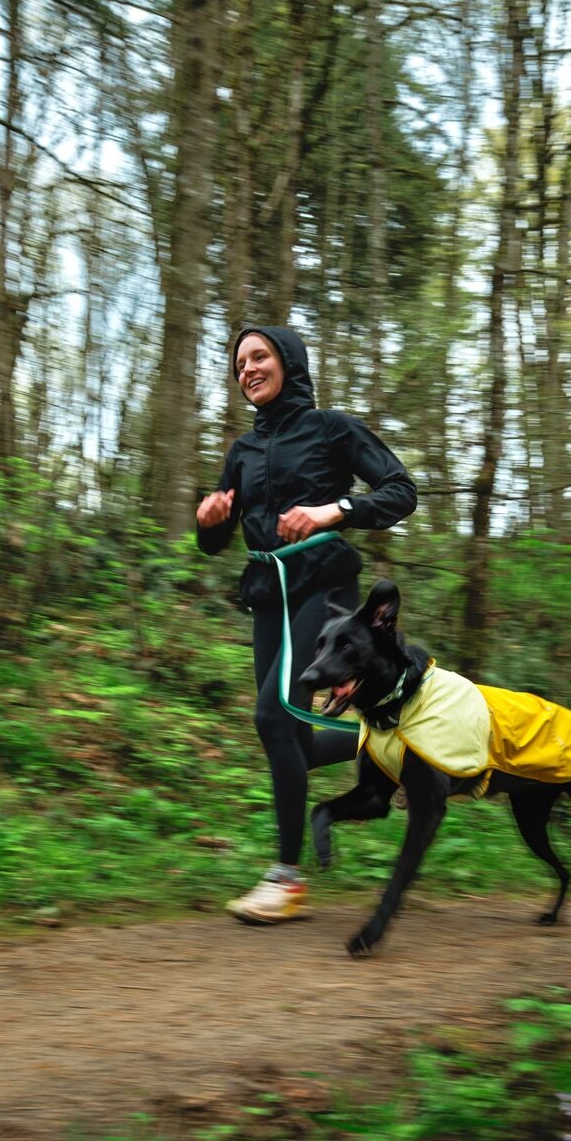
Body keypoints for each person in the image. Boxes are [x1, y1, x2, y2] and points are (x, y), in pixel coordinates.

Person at [196, 325, 417, 924]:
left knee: (271, 714)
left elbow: (401, 491)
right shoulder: (242, 450)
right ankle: (398, 749)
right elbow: (212, 543)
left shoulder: (332, 429)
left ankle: (286, 878)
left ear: (288, 362)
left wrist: (333, 511)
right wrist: (211, 518)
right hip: (268, 595)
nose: (247, 369)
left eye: (259, 356)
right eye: (240, 362)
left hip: (323, 591)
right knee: (291, 734)